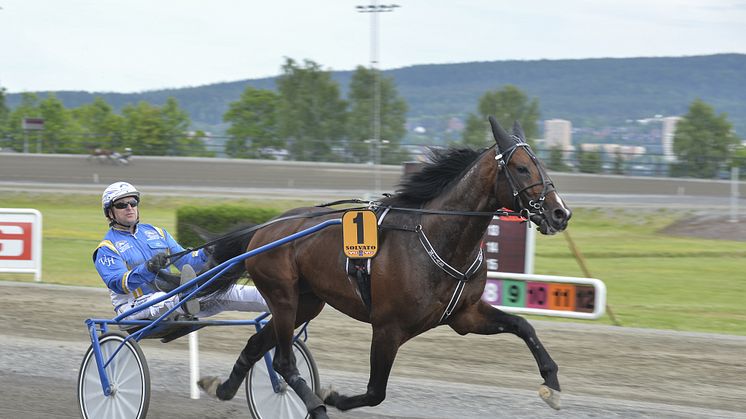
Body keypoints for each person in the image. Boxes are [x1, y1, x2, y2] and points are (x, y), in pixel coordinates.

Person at [93, 181, 267, 320]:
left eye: (133, 202)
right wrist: (148, 268)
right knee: (175, 297)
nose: (129, 207)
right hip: (134, 306)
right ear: (110, 213)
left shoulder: (157, 233)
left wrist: (206, 252)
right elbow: (119, 284)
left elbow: (189, 262)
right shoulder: (107, 248)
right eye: (122, 205)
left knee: (229, 291)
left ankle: (278, 300)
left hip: (173, 296)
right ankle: (186, 301)